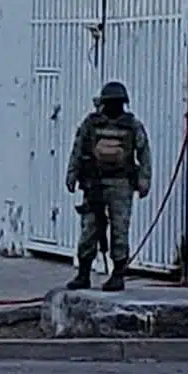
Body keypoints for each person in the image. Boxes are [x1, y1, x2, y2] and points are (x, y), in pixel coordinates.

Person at [65, 81, 152, 292]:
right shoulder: (91, 124)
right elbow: (78, 148)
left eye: (117, 103)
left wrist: (144, 181)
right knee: (90, 228)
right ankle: (83, 273)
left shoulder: (132, 125)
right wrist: (72, 174)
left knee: (119, 230)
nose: (114, 107)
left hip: (121, 184)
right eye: (111, 103)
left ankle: (118, 273)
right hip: (94, 183)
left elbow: (144, 153)